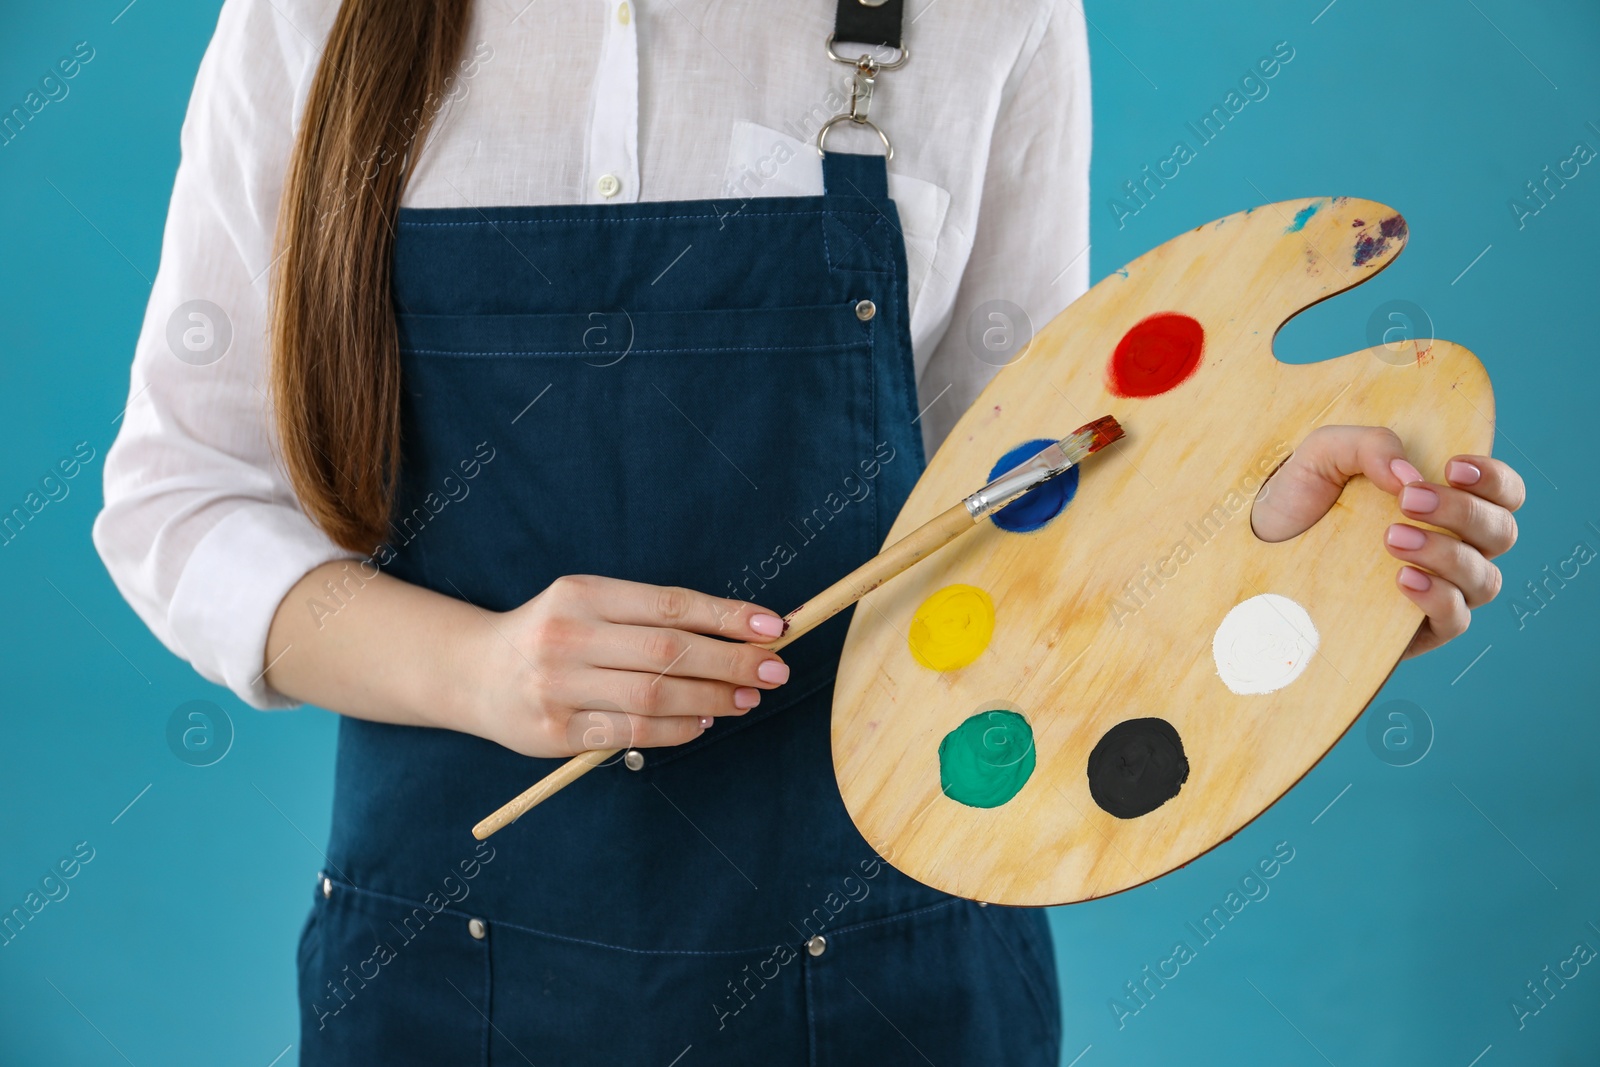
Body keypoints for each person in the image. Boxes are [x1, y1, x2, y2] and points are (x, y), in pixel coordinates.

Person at [92, 0, 1522, 1062]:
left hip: (893, 978)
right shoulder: (312, 23)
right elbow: (180, 498)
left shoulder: (989, 15)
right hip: (438, 979)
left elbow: (1028, 521)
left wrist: (1281, 549)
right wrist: (482, 671)